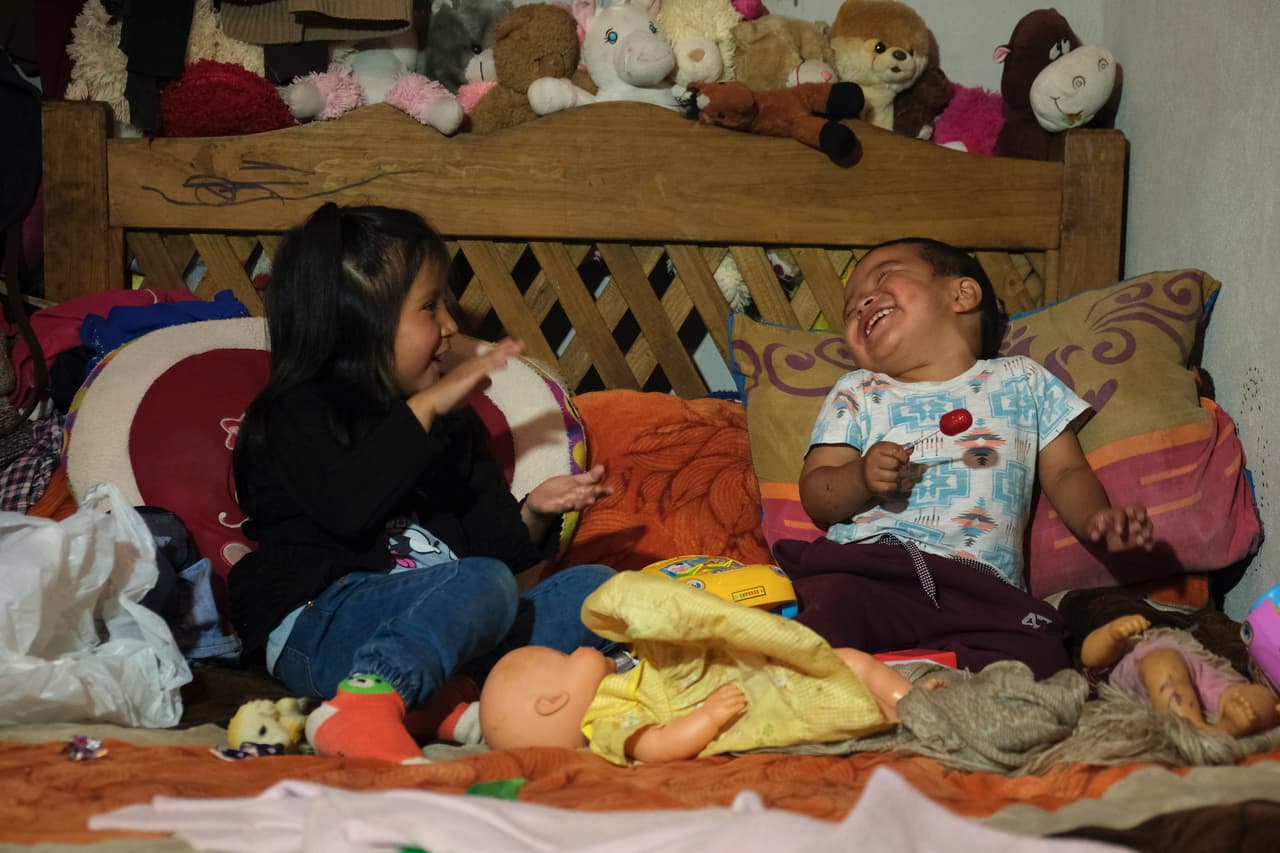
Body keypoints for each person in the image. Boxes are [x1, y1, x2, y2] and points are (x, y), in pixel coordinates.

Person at [230, 202, 616, 763]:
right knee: (478, 584)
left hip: (448, 635)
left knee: (596, 590)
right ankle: (362, 706)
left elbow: (496, 557)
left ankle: (443, 703)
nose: (453, 326)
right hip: (325, 620)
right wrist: (428, 405)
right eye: (431, 307)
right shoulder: (296, 411)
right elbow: (347, 507)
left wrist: (534, 512)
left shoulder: (450, 427)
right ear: (354, 322)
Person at [777, 237, 1154, 678]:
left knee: (1041, 656)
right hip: (876, 570)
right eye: (850, 309)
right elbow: (817, 492)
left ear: (962, 294)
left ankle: (914, 684)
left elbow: (1068, 470)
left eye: (882, 277)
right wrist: (860, 477)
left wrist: (1097, 520)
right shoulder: (858, 390)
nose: (861, 303)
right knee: (827, 612)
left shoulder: (1022, 379)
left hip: (983, 589)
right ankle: (850, 679)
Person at [478, 570, 914, 764]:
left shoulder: (620, 676)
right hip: (750, 706)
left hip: (748, 680)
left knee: (850, 661)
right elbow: (657, 746)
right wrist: (708, 718)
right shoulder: (606, 721)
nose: (575, 650)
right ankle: (905, 717)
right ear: (554, 702)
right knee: (841, 684)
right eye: (562, 657)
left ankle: (911, 704)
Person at [1081, 613, 1280, 738]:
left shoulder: (1130, 648)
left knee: (1262, 701)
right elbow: (1088, 656)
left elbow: (1089, 656)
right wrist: (1110, 634)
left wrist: (1112, 634)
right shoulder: (1092, 688)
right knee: (1160, 663)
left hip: (1207, 679)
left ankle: (1220, 729)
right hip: (1154, 672)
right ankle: (1199, 729)